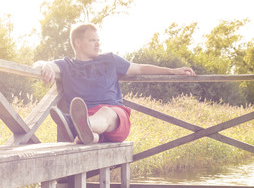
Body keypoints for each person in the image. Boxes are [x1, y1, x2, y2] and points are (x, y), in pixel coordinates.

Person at [34, 23, 195, 144]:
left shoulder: (109, 60)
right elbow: (39, 64)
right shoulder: (67, 65)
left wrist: (172, 71)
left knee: (105, 112)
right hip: (87, 120)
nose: (98, 44)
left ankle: (76, 124)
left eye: (98, 40)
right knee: (94, 134)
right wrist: (45, 65)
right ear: (77, 43)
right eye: (92, 40)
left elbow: (139, 68)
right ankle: (88, 133)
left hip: (115, 117)